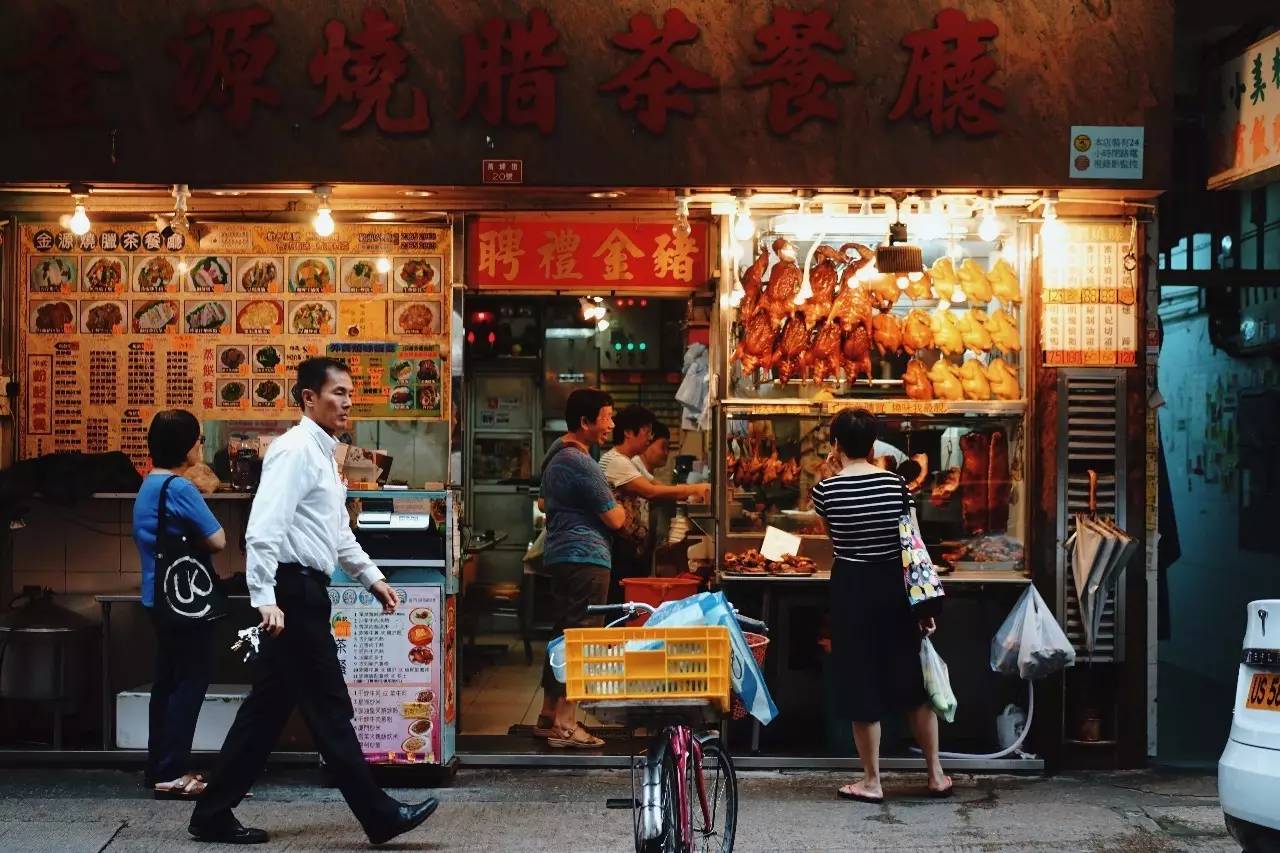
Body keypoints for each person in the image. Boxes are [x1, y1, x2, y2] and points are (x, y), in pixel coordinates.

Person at [189, 358, 437, 845]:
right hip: (291, 595)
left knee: (266, 711)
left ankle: (212, 813)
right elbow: (264, 525)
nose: (347, 402)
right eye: (337, 393)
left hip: (304, 591)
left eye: (349, 393)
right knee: (328, 707)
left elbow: (336, 532)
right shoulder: (295, 450)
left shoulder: (325, 454)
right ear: (308, 398)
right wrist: (263, 596)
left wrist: (371, 578)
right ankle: (379, 814)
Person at [811, 408, 951, 803]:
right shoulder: (895, 485)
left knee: (861, 680)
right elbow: (914, 541)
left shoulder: (826, 490)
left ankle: (872, 780)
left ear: (836, 444)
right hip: (894, 583)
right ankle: (936, 774)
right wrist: (923, 604)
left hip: (852, 586)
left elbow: (834, 541)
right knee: (911, 680)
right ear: (873, 445)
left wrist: (831, 471)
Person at [133, 410, 226, 800]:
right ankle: (172, 772)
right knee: (190, 682)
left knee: (167, 684)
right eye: (199, 440)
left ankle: (159, 767)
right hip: (184, 601)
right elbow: (218, 539)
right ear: (186, 446)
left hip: (157, 596)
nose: (200, 447)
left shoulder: (150, 485)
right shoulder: (180, 488)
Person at [532, 388, 626, 748]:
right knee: (581, 638)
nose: (611, 424)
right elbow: (615, 518)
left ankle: (547, 716)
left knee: (563, 635)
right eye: (607, 417)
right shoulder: (580, 462)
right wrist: (620, 505)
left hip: (564, 556)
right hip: (585, 557)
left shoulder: (557, 454)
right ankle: (567, 724)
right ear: (585, 422)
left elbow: (543, 501)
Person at [599, 409, 710, 598]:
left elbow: (655, 484)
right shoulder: (615, 461)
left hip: (628, 550)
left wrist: (689, 492)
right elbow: (651, 492)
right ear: (628, 432)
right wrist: (694, 489)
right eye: (646, 430)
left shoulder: (628, 461)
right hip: (618, 550)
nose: (650, 437)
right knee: (621, 605)